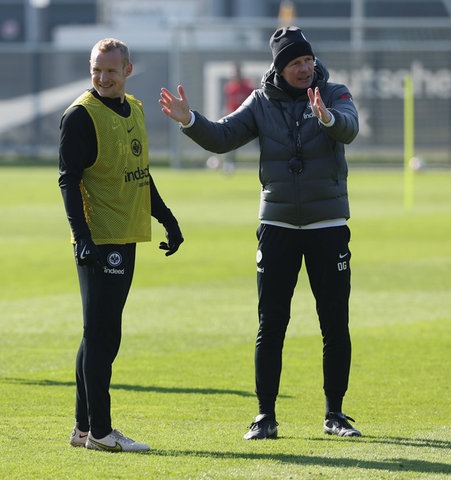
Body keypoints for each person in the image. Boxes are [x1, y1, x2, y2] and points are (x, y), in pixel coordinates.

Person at [159, 26, 361, 440]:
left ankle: (335, 415)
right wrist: (190, 121)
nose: (305, 68)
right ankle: (265, 416)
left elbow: (349, 128)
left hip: (328, 225)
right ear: (280, 68)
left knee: (335, 324)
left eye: (308, 60)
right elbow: (223, 136)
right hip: (277, 226)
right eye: (295, 63)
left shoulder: (334, 92)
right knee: (271, 324)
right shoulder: (261, 101)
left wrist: (326, 117)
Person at [59, 38, 184, 452]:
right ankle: (101, 432)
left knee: (97, 334)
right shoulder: (80, 116)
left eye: (111, 70)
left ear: (127, 70)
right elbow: (68, 180)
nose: (102, 77)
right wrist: (82, 238)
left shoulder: (136, 109)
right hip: (100, 240)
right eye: (96, 69)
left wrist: (166, 218)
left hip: (127, 234)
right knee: (102, 336)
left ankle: (83, 429)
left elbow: (139, 174)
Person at [221, 63, 254, 172]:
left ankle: (268, 161)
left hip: (249, 120)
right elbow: (228, 104)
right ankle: (229, 164)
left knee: (262, 140)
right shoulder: (230, 88)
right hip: (235, 120)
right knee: (231, 143)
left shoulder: (249, 87)